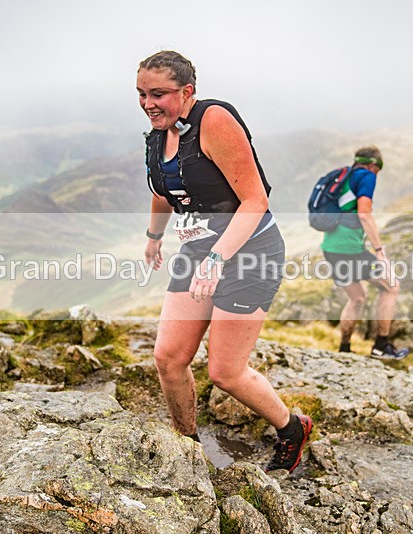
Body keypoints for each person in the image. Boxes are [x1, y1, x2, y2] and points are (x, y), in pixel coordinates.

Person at [137, 50, 312, 473]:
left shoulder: (214, 121)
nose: (147, 104)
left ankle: (292, 429)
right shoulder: (159, 134)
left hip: (251, 253)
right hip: (198, 252)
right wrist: (154, 237)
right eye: (141, 94)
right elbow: (164, 191)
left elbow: (255, 200)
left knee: (226, 372)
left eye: (158, 93)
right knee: (168, 359)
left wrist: (217, 258)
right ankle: (188, 445)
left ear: (188, 91)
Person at [320, 146, 409, 359]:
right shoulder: (366, 177)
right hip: (350, 250)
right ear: (373, 165)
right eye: (378, 170)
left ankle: (344, 350)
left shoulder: (344, 177)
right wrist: (379, 251)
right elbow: (364, 213)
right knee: (391, 286)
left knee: (358, 297)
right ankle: (381, 346)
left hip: (330, 248)